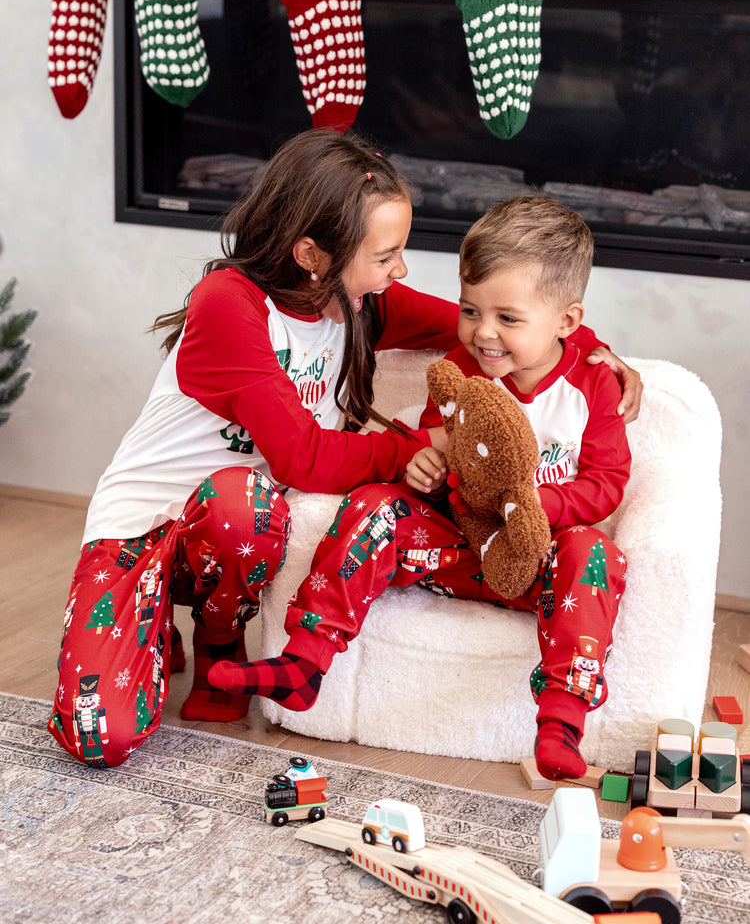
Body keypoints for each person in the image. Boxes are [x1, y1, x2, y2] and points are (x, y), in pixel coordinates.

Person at [48, 129, 637, 769]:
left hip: (233, 524)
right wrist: (421, 447)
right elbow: (302, 459)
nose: (400, 272)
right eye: (386, 255)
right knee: (97, 737)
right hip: (145, 522)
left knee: (243, 503)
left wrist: (596, 358)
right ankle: (155, 617)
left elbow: (498, 321)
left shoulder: (358, 303)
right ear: (312, 254)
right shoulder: (228, 304)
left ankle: (218, 641)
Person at [208, 195, 631, 782]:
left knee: (595, 554)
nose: (484, 334)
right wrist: (424, 469)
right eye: (470, 309)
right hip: (455, 550)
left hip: (537, 563)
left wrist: (534, 506)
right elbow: (433, 444)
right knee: (374, 503)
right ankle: (304, 661)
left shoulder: (592, 386)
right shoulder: (458, 371)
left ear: (566, 321)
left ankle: (561, 719)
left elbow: (606, 485)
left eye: (508, 319)